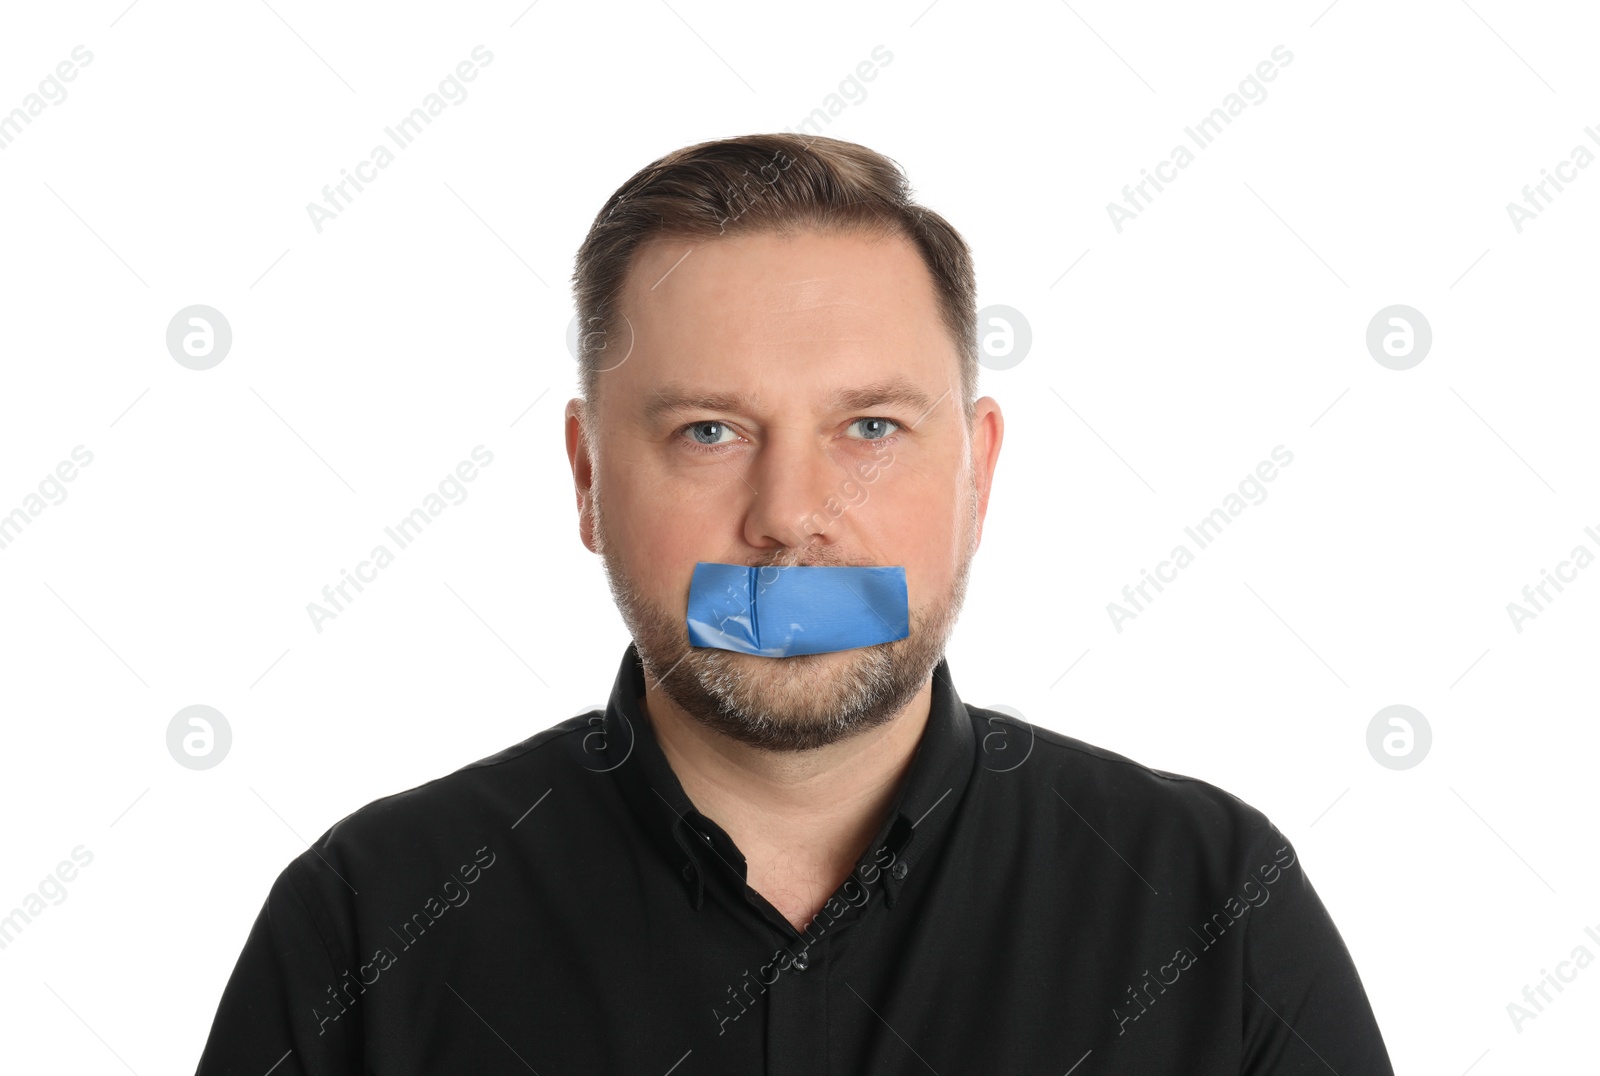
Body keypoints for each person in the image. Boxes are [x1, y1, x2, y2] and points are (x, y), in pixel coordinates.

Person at [195, 133, 1394, 1074]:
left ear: (977, 472)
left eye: (869, 428)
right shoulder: (369, 919)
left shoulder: (1209, 902)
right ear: (586, 478)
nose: (790, 514)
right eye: (708, 430)